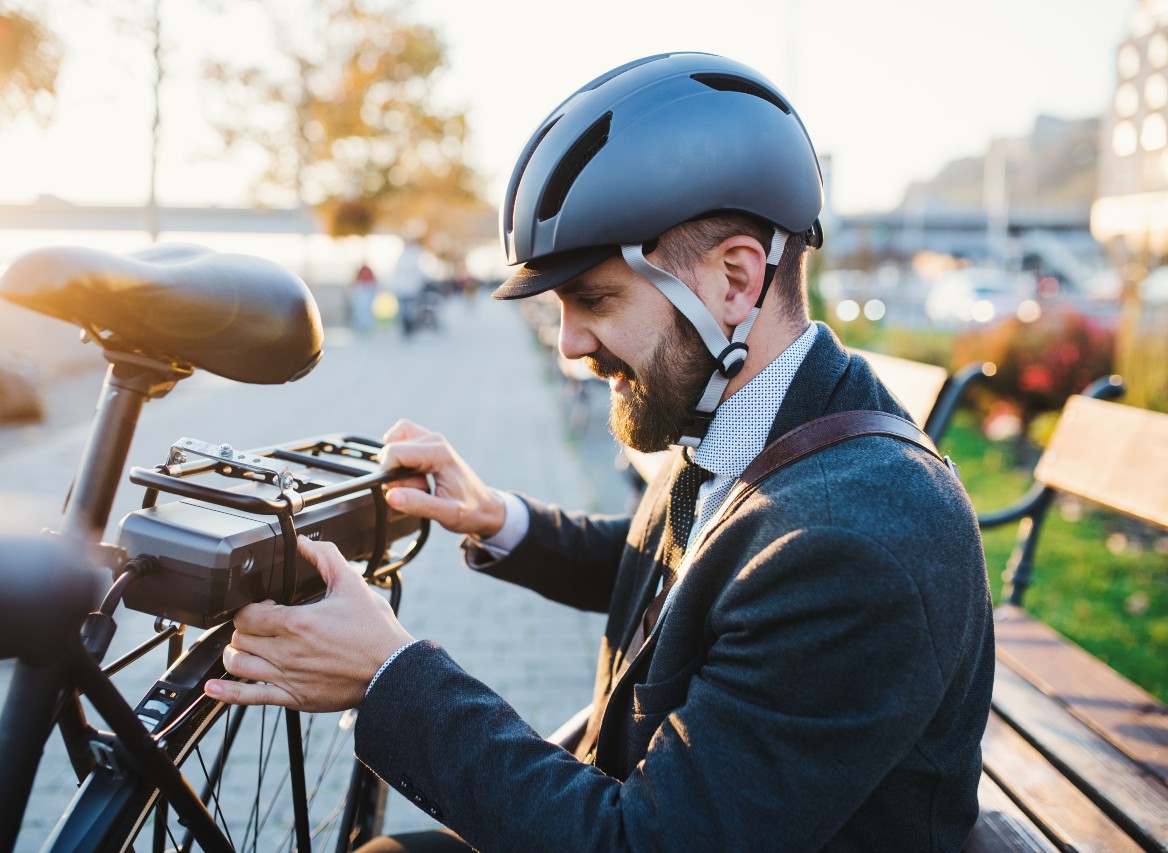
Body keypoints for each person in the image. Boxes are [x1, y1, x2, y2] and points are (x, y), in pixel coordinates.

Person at [206, 52, 994, 850]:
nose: (569, 347)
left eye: (594, 300)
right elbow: (688, 572)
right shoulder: (757, 417)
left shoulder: (853, 542)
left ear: (734, 281)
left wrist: (387, 674)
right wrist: (497, 516)